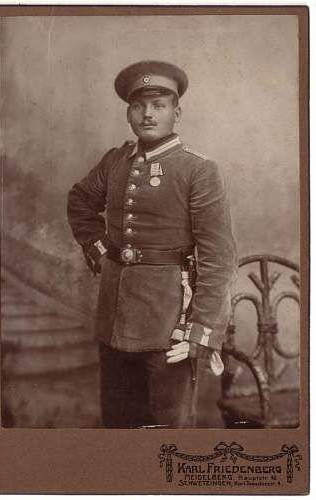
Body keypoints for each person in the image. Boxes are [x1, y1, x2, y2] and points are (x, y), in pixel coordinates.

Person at [67, 60, 237, 428]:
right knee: (118, 427)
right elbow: (80, 201)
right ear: (128, 112)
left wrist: (200, 333)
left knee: (166, 438)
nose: (148, 114)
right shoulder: (115, 161)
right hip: (113, 320)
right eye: (139, 106)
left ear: (177, 112)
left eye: (158, 105)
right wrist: (98, 247)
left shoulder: (197, 170)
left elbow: (218, 258)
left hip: (168, 327)